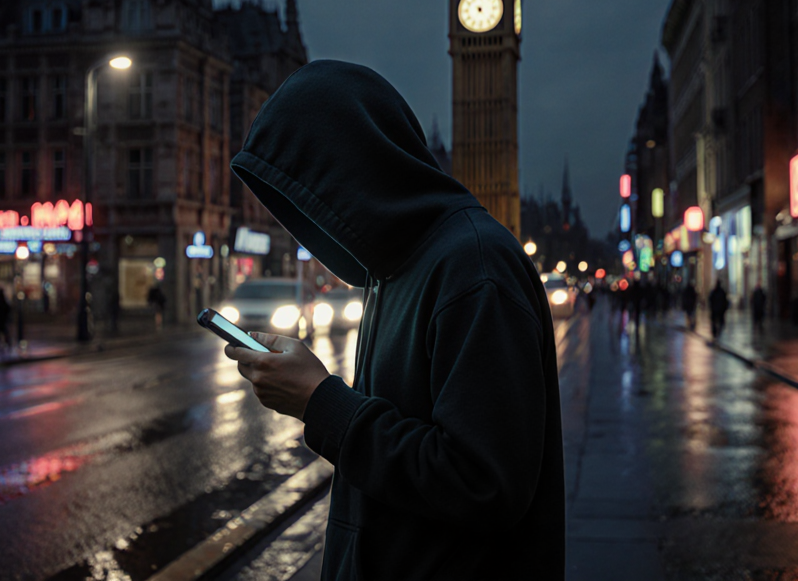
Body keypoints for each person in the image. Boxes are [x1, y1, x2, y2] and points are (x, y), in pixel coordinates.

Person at [223, 61, 564, 580]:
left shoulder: (473, 268)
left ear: (350, 167)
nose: (306, 220)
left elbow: (484, 485)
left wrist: (321, 402)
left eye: (312, 190)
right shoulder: (396, 267)